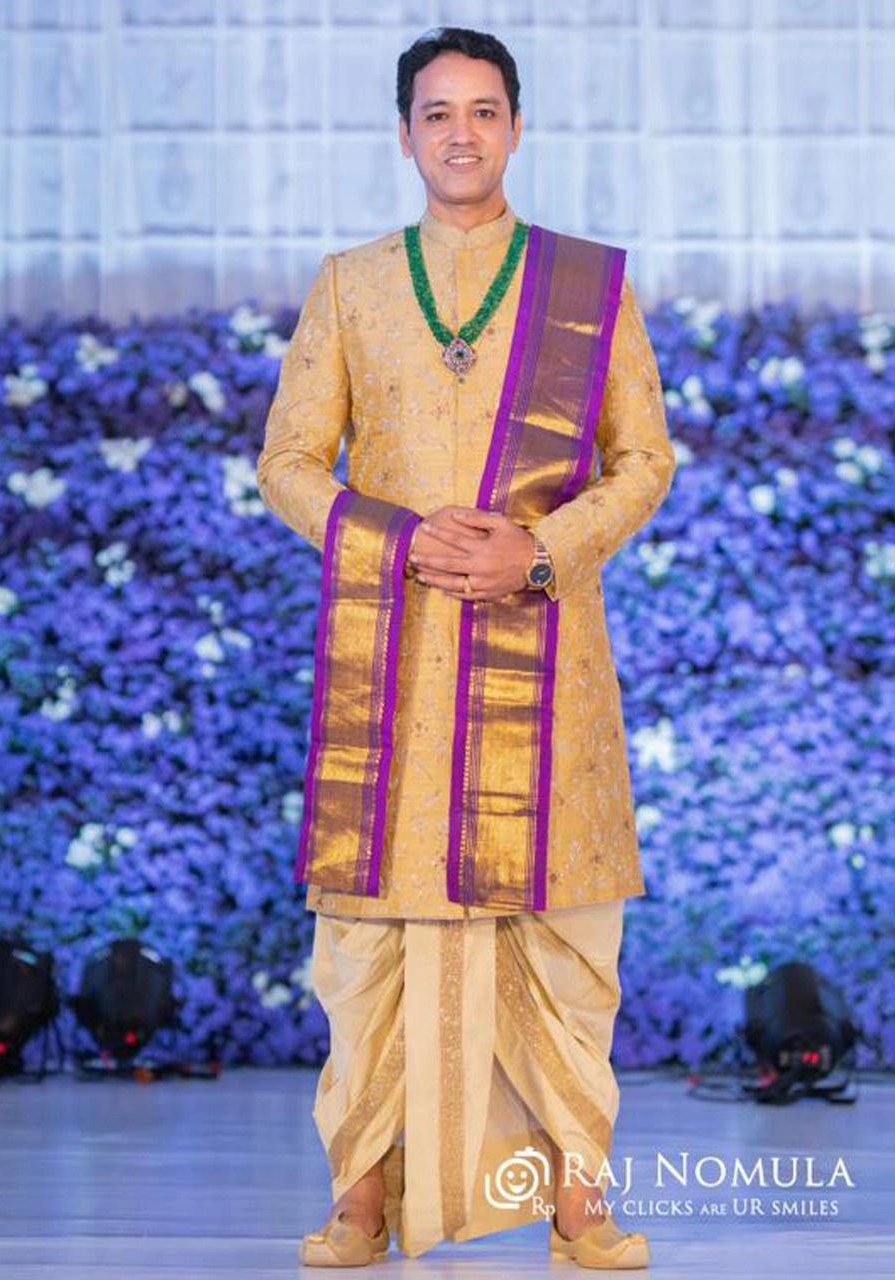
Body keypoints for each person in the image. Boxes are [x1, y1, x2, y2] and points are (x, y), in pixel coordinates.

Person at [256, 25, 676, 1269]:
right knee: (369, 936)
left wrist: (536, 552)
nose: (459, 133)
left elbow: (643, 459)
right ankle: (362, 1195)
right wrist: (396, 540)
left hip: (541, 657)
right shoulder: (350, 284)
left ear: (515, 127)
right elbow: (286, 462)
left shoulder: (586, 284)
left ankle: (577, 1200)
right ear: (404, 135)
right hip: (390, 658)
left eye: (482, 111)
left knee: (560, 927)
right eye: (436, 113)